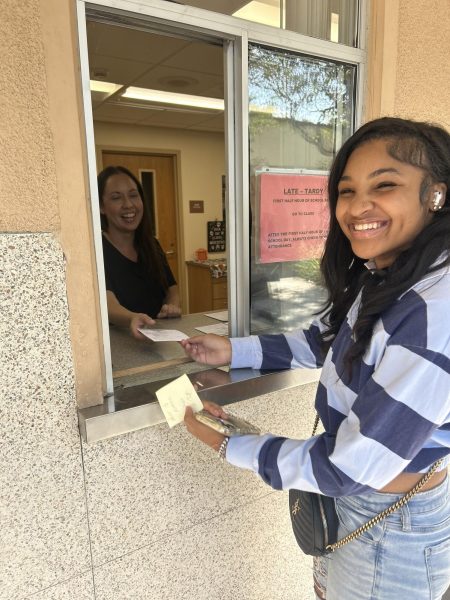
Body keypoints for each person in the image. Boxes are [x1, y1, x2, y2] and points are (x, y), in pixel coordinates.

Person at [181, 117, 450, 599]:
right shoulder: (392, 274)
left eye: (385, 185)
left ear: (436, 195)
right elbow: (328, 340)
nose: (357, 207)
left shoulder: (436, 313)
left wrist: (231, 445)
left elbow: (349, 468)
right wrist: (233, 350)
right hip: (364, 507)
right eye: (346, 191)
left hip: (388, 523)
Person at [98, 165, 181, 339]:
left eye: (133, 195)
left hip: (159, 340)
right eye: (116, 198)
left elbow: (171, 288)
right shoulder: (97, 250)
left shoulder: (151, 244)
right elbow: (107, 303)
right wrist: (132, 318)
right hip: (121, 344)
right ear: (101, 207)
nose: (128, 205)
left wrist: (172, 306)